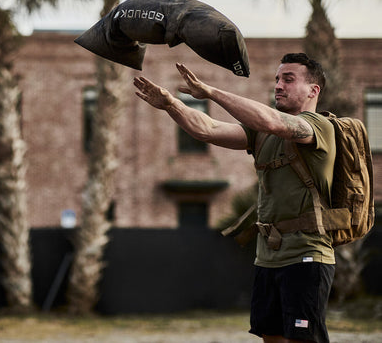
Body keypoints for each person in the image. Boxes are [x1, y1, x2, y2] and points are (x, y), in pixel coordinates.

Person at [133, 53, 336, 343]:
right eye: (277, 79)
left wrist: (211, 92)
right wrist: (171, 105)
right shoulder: (262, 135)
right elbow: (208, 129)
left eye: (288, 80)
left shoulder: (318, 128)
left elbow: (274, 122)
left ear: (313, 90)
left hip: (307, 256)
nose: (278, 85)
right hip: (268, 258)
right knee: (272, 338)